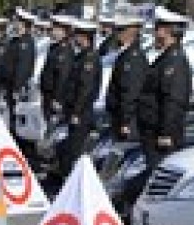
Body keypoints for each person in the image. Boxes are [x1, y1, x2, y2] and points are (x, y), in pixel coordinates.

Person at [136, 6, 193, 172]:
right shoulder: (166, 58)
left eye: (157, 29)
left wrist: (166, 133)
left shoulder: (174, 61)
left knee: (158, 177)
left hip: (161, 134)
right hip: (153, 130)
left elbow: (173, 99)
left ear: (166, 31)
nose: (155, 33)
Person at [55, 20, 102, 181]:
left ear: (85, 37)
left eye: (78, 35)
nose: (75, 38)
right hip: (74, 109)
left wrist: (76, 111)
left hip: (81, 112)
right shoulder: (81, 56)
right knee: (70, 147)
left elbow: (85, 88)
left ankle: (71, 183)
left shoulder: (90, 58)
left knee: (75, 150)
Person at [105, 15, 150, 141]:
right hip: (120, 116)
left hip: (127, 119)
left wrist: (126, 120)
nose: (117, 34)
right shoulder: (126, 54)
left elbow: (130, 92)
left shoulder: (133, 58)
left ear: (131, 32)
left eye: (120, 30)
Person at [39, 14, 76, 126]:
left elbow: (62, 77)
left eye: (54, 28)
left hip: (54, 96)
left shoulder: (65, 51)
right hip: (47, 94)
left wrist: (57, 99)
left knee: (51, 128)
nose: (52, 31)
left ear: (63, 31)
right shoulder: (55, 47)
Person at [7, 8, 36, 135]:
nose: (14, 23)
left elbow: (22, 68)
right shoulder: (16, 40)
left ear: (23, 24)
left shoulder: (26, 43)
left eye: (17, 21)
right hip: (10, 85)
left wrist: (17, 88)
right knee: (12, 117)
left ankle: (21, 148)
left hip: (18, 87)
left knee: (19, 120)